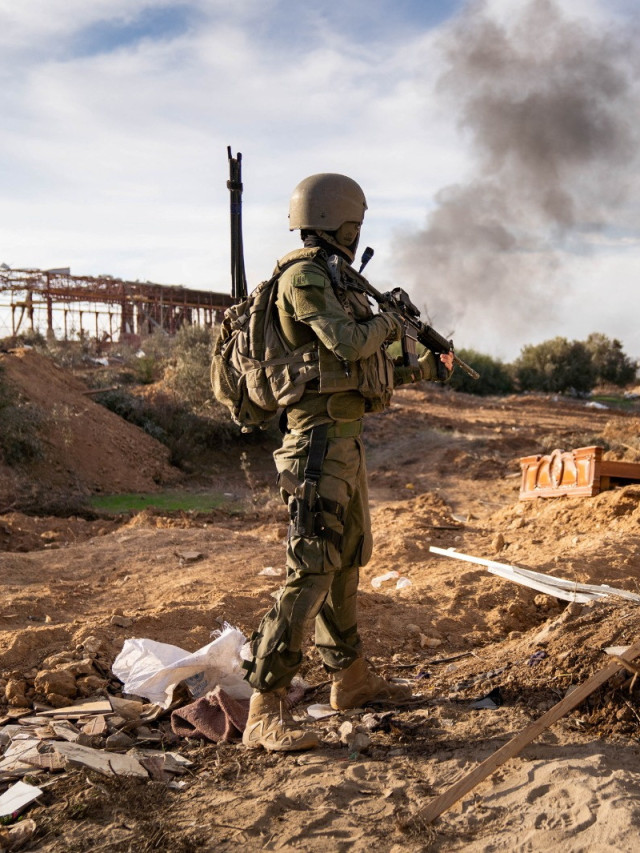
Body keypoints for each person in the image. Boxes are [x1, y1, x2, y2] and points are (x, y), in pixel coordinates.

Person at [241, 173, 452, 752]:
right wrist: (392, 320)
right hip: (314, 444)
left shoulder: (336, 277)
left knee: (347, 558)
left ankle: (351, 680)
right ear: (346, 222)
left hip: (343, 439)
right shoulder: (305, 275)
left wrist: (430, 365)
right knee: (311, 566)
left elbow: (366, 367)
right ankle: (265, 707)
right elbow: (349, 343)